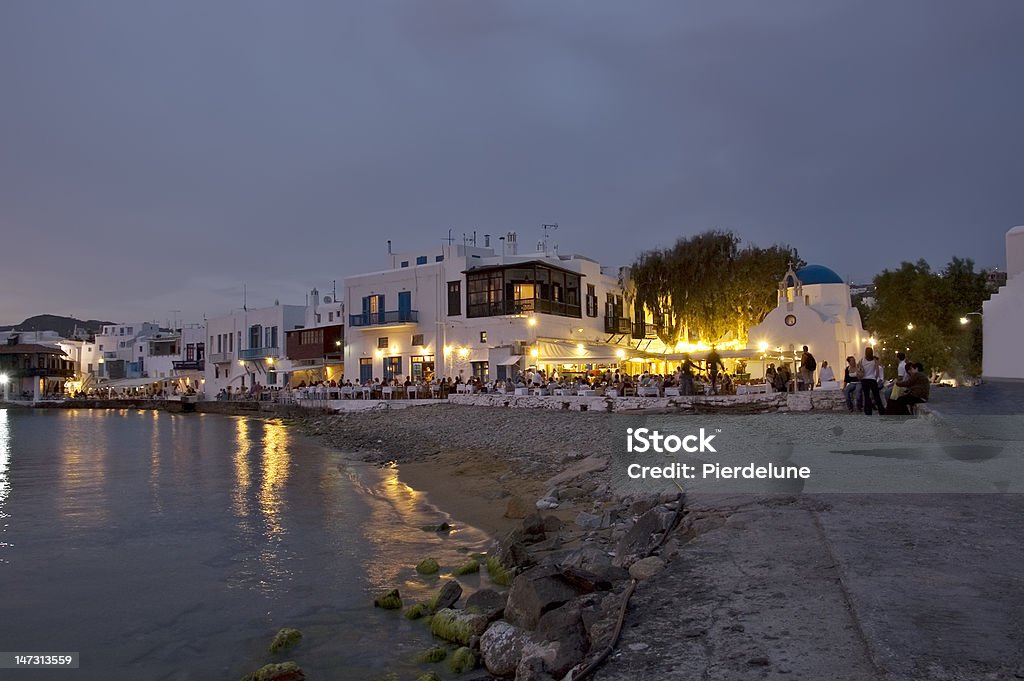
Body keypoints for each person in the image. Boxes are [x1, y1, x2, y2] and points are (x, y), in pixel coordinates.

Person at [858, 347, 884, 415]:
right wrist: (875, 377)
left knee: (866, 396)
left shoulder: (862, 360)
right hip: (872, 379)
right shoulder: (874, 360)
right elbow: (877, 371)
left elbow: (860, 369)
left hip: (864, 379)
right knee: (876, 396)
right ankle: (881, 411)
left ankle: (868, 412)